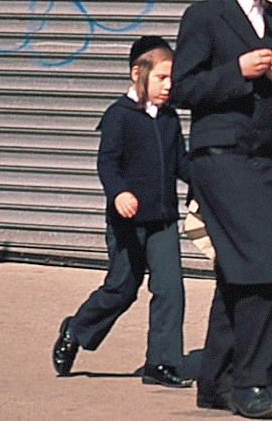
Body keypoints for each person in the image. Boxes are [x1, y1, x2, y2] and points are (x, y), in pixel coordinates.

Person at [172, 0, 272, 419]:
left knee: (240, 272)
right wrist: (238, 72)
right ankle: (252, 382)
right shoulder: (204, 16)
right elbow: (183, 89)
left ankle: (216, 384)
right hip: (221, 157)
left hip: (266, 156)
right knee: (262, 265)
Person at [52, 36, 192, 388]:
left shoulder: (170, 119)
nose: (168, 86)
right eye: (161, 78)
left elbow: (181, 164)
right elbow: (107, 164)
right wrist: (119, 193)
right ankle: (76, 329)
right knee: (121, 288)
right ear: (137, 73)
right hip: (127, 222)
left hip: (162, 220)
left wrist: (208, 183)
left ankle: (160, 363)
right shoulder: (119, 116)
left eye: (172, 79)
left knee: (170, 289)